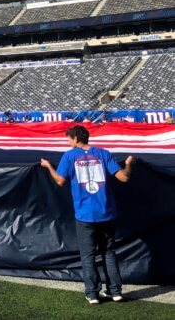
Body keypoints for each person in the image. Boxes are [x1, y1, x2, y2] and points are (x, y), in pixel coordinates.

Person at [40, 125, 135, 304]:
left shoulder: (69, 156)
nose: (68, 142)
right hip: (106, 212)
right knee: (109, 253)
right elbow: (124, 177)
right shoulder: (103, 153)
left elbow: (60, 181)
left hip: (85, 215)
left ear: (76, 139)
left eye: (69, 139)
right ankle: (115, 291)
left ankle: (92, 294)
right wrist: (129, 164)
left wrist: (48, 167)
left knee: (88, 255)